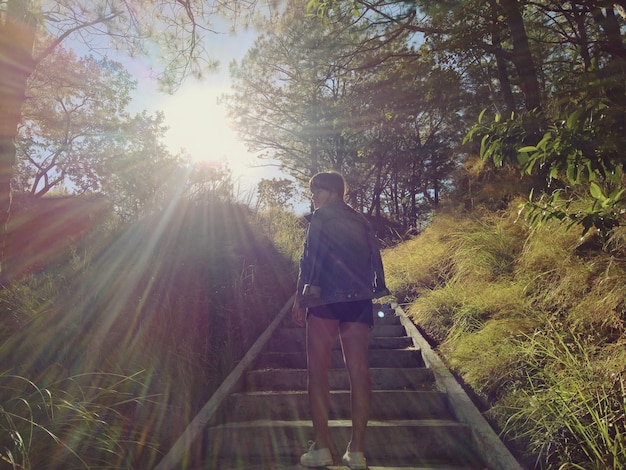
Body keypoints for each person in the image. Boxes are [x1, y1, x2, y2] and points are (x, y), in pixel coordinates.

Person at [292, 172, 389, 470]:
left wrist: (300, 297)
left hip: (323, 299)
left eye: (316, 191)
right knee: (359, 372)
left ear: (333, 191)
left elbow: (309, 259)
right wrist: (376, 288)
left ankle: (322, 448)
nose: (314, 197)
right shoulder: (361, 221)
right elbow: (375, 259)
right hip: (358, 301)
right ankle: (356, 451)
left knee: (317, 373)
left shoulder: (320, 218)